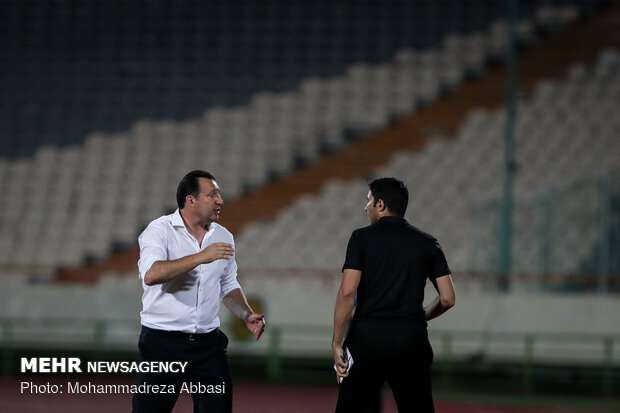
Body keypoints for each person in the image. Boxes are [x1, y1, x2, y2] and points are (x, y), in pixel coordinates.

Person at [132, 170, 265, 413]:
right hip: (163, 344)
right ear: (190, 200)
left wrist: (246, 314)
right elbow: (151, 274)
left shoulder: (224, 236)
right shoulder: (159, 230)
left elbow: (227, 284)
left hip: (208, 346)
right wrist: (201, 256)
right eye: (212, 195)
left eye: (219, 195)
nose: (220, 201)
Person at [332, 177, 455, 413]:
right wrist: (422, 315)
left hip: (368, 337)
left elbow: (348, 292)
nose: (365, 207)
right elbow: (448, 297)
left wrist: (337, 343)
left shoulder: (361, 238)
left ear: (380, 205)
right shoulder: (427, 243)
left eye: (368, 201)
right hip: (411, 338)